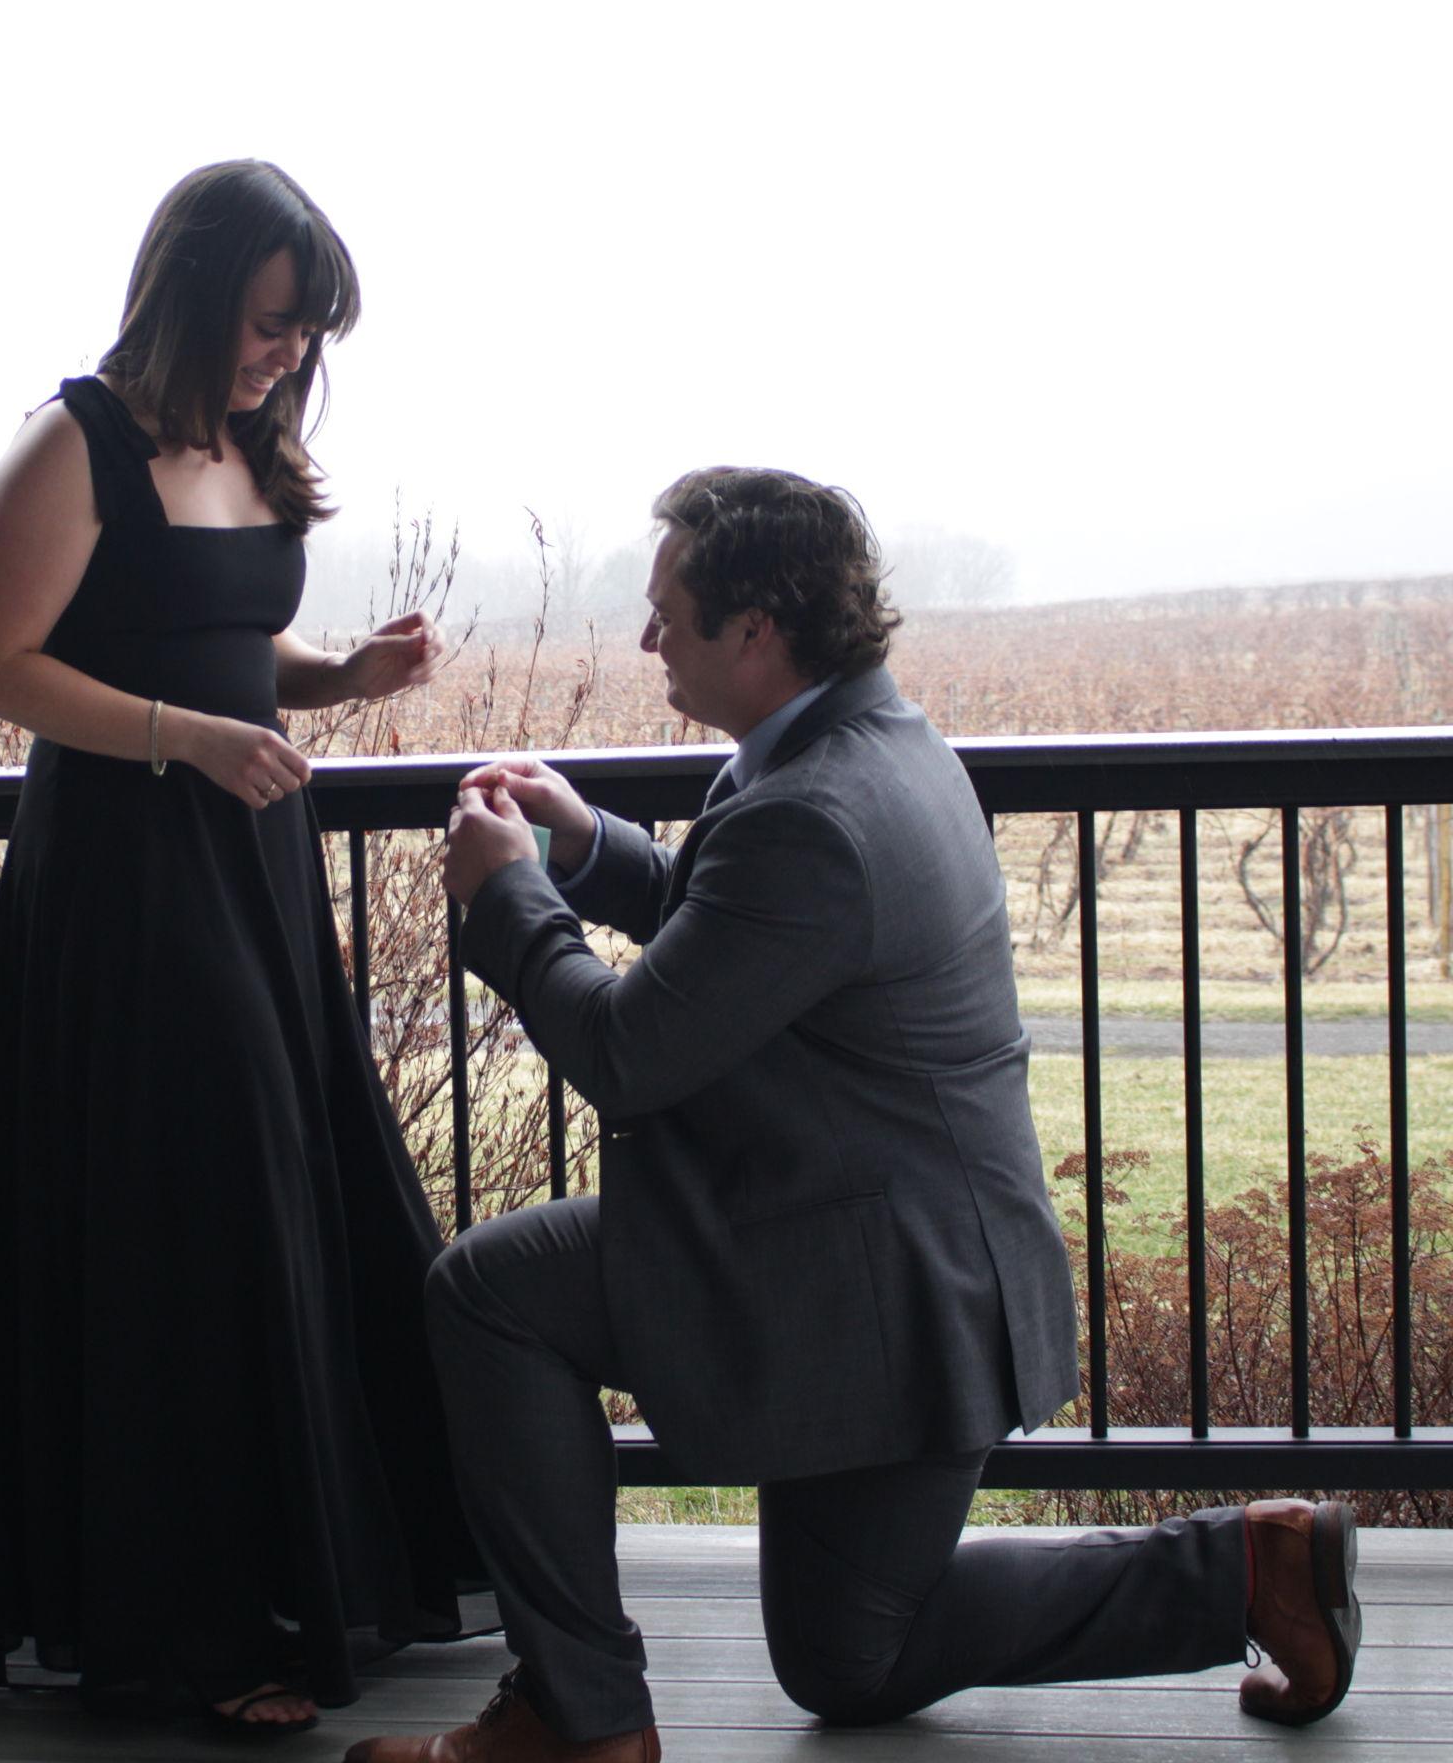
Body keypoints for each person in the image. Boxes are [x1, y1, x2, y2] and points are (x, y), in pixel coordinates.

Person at [342, 467, 1362, 1763]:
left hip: (869, 1276)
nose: (647, 639)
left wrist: (509, 897)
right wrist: (587, 843)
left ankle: (578, 1717)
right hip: (895, 1253)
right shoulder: (864, 745)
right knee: (848, 1658)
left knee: (490, 1294)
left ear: (755, 629)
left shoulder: (815, 809)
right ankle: (1253, 1572)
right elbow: (744, 937)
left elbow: (630, 1053)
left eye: (669, 615)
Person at [0, 160, 484, 1736]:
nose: (291, 353)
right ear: (195, 292)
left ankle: (297, 1577)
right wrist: (187, 742)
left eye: (310, 331)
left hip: (250, 866)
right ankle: (199, 1624)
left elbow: (227, 643)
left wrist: (340, 675)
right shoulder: (72, 445)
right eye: (274, 322)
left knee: (280, 1186)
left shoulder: (255, 449)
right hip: (125, 877)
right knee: (197, 1212)